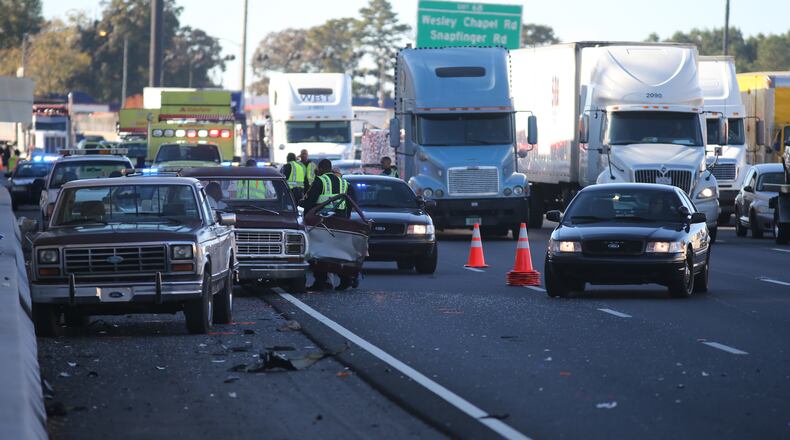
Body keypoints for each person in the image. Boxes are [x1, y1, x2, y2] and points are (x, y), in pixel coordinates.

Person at [301, 159, 359, 291]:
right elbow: (351, 203)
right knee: (339, 252)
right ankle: (346, 279)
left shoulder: (319, 181)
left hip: (321, 224)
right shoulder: (344, 183)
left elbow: (310, 202)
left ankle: (320, 282)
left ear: (321, 169)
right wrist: (346, 218)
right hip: (340, 223)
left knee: (319, 253)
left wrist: (306, 220)